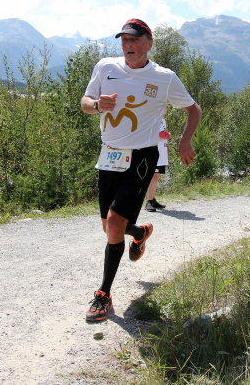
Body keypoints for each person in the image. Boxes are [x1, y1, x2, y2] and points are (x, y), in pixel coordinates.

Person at [81, 18, 202, 322]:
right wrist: (96, 105)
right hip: (109, 156)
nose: (128, 45)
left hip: (142, 158)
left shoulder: (164, 77)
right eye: (124, 40)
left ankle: (104, 295)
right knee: (110, 227)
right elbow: (85, 102)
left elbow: (193, 109)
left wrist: (185, 141)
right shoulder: (105, 67)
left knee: (114, 223)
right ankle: (140, 232)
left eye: (134, 40)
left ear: (149, 44)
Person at [145, 114, 169, 212]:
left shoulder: (163, 120)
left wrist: (166, 145)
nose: (166, 108)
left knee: (157, 176)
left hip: (162, 153)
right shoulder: (155, 118)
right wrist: (169, 134)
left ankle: (153, 199)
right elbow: (161, 134)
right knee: (153, 176)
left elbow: (163, 137)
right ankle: (149, 201)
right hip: (155, 152)